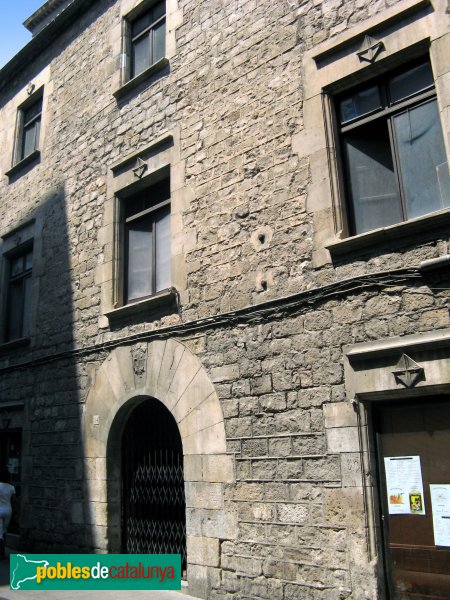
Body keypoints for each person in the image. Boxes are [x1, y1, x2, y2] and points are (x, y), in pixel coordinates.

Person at [0, 468, 15, 559]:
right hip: (8, 510)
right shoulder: (11, 487)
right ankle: (3, 551)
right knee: (5, 531)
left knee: (0, 532)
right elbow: (13, 500)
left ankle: (1, 553)